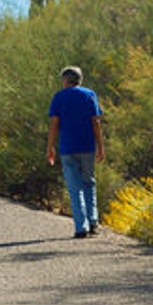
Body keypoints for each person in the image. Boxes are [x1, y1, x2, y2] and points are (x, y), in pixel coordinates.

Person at [46, 66, 105, 239]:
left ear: (65, 80)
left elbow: (54, 124)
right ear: (80, 80)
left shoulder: (59, 97)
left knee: (74, 188)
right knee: (89, 183)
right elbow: (96, 122)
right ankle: (93, 222)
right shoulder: (89, 95)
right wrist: (101, 146)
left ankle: (81, 227)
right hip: (87, 146)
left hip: (68, 147)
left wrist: (50, 147)